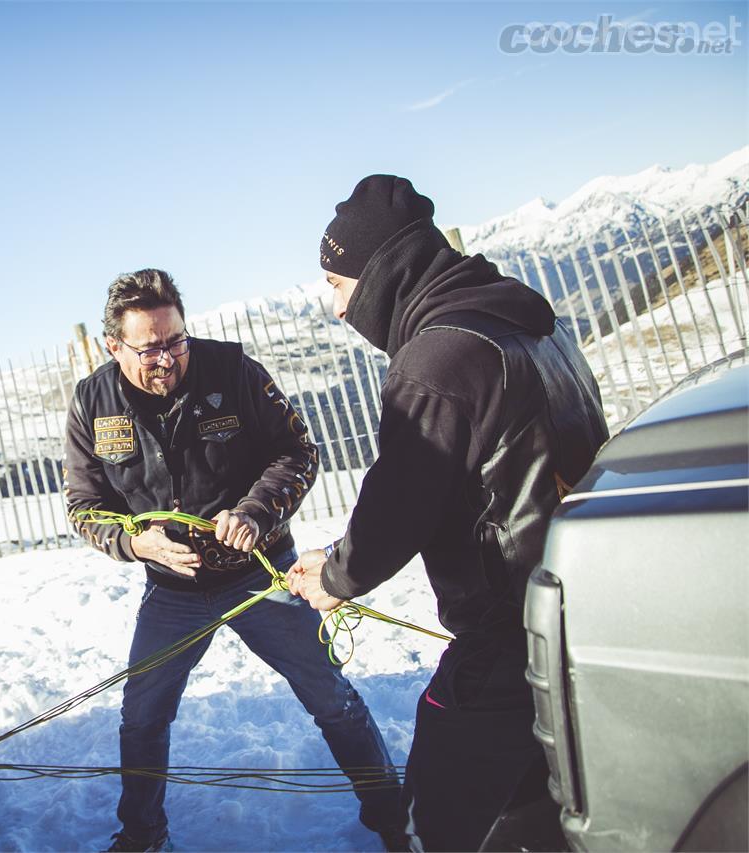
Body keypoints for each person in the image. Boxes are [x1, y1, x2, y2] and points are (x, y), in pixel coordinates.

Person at [289, 176, 609, 851]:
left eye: (337, 283)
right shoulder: (519, 317)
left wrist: (336, 575)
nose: (337, 307)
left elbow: (404, 494)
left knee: (438, 821)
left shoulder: (437, 355)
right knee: (546, 808)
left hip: (509, 633)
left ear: (380, 275)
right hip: (580, 603)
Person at [64, 269, 405, 852]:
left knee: (331, 697)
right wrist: (135, 544)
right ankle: (142, 834)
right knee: (142, 714)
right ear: (113, 346)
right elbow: (83, 507)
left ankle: (394, 818)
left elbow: (298, 451)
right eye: (149, 349)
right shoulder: (92, 403)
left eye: (176, 342)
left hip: (259, 574)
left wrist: (255, 512)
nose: (167, 360)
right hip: (172, 590)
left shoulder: (234, 372)